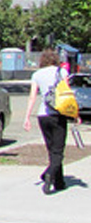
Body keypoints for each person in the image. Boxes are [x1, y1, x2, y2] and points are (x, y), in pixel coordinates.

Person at [24, 50, 83, 194]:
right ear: (55, 60)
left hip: (42, 115)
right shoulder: (61, 72)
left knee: (52, 150)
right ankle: (48, 175)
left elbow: (32, 97)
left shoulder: (36, 75)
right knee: (58, 151)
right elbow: (67, 94)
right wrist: (75, 114)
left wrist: (27, 117)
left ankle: (59, 182)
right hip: (58, 114)